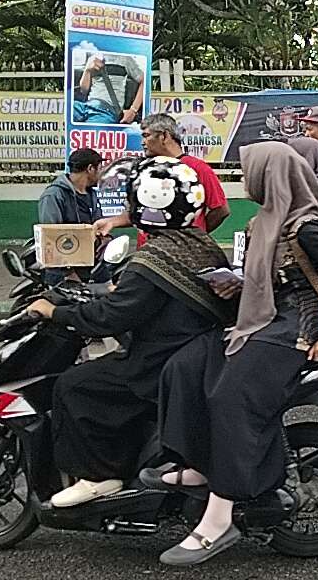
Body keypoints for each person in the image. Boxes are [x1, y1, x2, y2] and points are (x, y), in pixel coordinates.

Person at [149, 142, 318, 566]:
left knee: (231, 397)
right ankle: (199, 462)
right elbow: (266, 281)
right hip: (264, 320)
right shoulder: (261, 224)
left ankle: (219, 516)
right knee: (185, 365)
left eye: (251, 170)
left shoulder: (306, 228)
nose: (245, 179)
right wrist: (234, 284)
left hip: (298, 329)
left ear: (271, 176)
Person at [25, 157, 234, 508]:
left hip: (157, 363)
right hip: (192, 352)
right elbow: (142, 299)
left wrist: (54, 311)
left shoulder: (152, 260)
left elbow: (108, 319)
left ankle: (98, 474)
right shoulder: (198, 243)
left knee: (74, 386)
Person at [93, 113, 230, 237]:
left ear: (164, 136)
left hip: (181, 255)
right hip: (148, 252)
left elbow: (220, 210)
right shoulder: (145, 169)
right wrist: (111, 222)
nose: (142, 142)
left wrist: (196, 233)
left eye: (146, 136)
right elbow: (140, 212)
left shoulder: (198, 168)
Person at [38, 148, 104, 285]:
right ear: (90, 168)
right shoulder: (54, 195)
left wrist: (105, 238)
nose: (101, 174)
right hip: (62, 274)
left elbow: (99, 224)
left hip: (89, 267)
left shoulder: (91, 194)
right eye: (100, 168)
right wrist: (69, 273)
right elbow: (51, 238)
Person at [72, 53, 144, 124]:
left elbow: (144, 80)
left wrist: (133, 111)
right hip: (86, 105)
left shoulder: (126, 59)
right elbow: (84, 90)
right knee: (67, 110)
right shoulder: (93, 57)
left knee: (90, 132)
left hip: (107, 110)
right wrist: (87, 70)